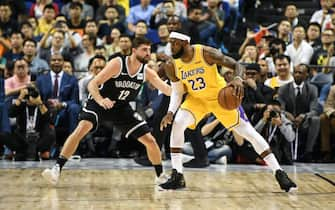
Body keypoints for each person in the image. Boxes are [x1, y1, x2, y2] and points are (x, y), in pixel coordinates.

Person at [159, 31, 297, 192]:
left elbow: (238, 65)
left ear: (185, 44)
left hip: (219, 97)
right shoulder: (171, 65)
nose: (171, 46)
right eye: (170, 43)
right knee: (177, 123)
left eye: (174, 43)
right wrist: (170, 112)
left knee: (248, 132)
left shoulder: (206, 53)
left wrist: (238, 78)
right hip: (196, 100)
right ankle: (177, 175)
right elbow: (177, 92)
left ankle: (279, 172)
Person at [42, 37, 171, 185]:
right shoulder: (118, 64)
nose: (148, 53)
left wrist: (184, 85)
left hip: (121, 107)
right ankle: (56, 169)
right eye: (144, 50)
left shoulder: (147, 72)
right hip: (99, 102)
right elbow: (92, 84)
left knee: (150, 140)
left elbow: (167, 90)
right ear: (134, 51)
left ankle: (160, 175)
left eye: (149, 50)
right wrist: (101, 100)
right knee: (82, 128)